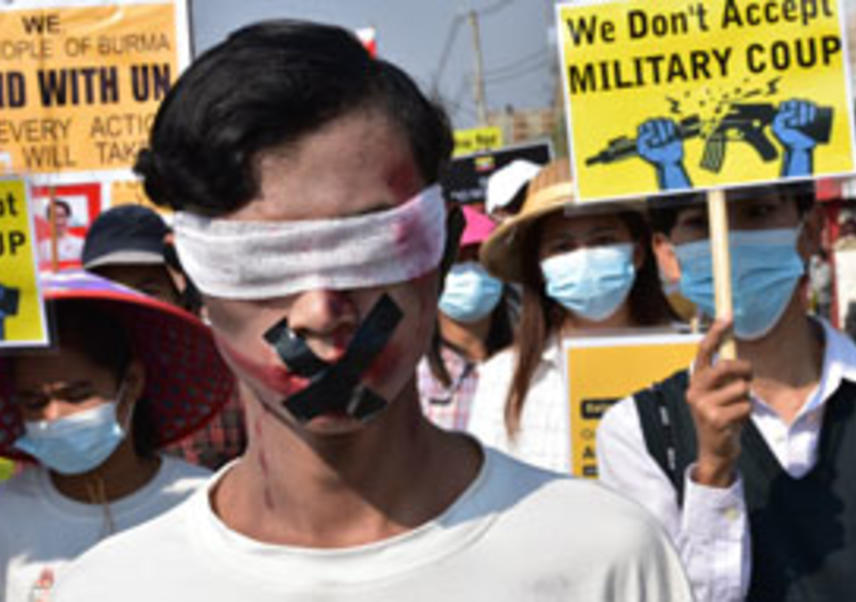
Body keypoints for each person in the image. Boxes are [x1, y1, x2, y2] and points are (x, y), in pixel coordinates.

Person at [54, 22, 692, 601]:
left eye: (368, 249)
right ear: (188, 278)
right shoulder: (112, 590)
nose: (319, 311)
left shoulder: (602, 559)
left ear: (442, 247)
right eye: (260, 262)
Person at [595, 188, 856, 601]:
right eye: (701, 223)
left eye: (758, 212)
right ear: (668, 255)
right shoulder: (642, 432)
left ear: (811, 229)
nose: (731, 240)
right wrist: (713, 475)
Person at [0, 270, 234, 601]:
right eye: (34, 402)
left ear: (132, 382)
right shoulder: (8, 515)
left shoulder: (202, 504)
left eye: (77, 395)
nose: (53, 416)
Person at [468, 158, 674, 474]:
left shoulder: (689, 357)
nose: (584, 256)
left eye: (603, 241)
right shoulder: (502, 378)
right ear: (539, 266)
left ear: (637, 252)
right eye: (563, 247)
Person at [82, 205, 247, 469]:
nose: (132, 305)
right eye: (112, 290)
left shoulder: (231, 381)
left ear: (180, 297)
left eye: (148, 290)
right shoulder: (64, 386)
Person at [418, 205, 512, 431]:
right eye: (457, 260)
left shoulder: (529, 366)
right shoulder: (413, 374)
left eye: (480, 258)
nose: (471, 270)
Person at [37, 200, 85, 264]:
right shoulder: (42, 247)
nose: (58, 221)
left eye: (62, 216)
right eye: (54, 217)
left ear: (68, 218)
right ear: (48, 220)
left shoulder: (80, 243)